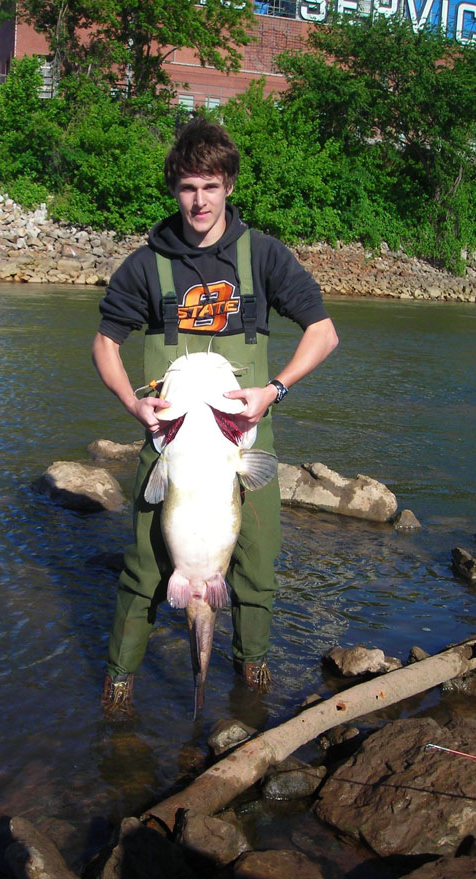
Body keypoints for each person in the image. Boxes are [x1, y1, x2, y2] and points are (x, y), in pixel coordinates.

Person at [92, 116, 338, 714]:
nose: (198, 201)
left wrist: (274, 389)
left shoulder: (265, 257)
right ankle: (119, 684)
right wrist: (133, 403)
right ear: (175, 190)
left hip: (243, 444)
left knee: (257, 569)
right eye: (187, 187)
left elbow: (324, 334)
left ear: (228, 185)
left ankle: (251, 679)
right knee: (144, 571)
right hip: (169, 444)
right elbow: (105, 344)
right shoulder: (147, 265)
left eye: (210, 186)